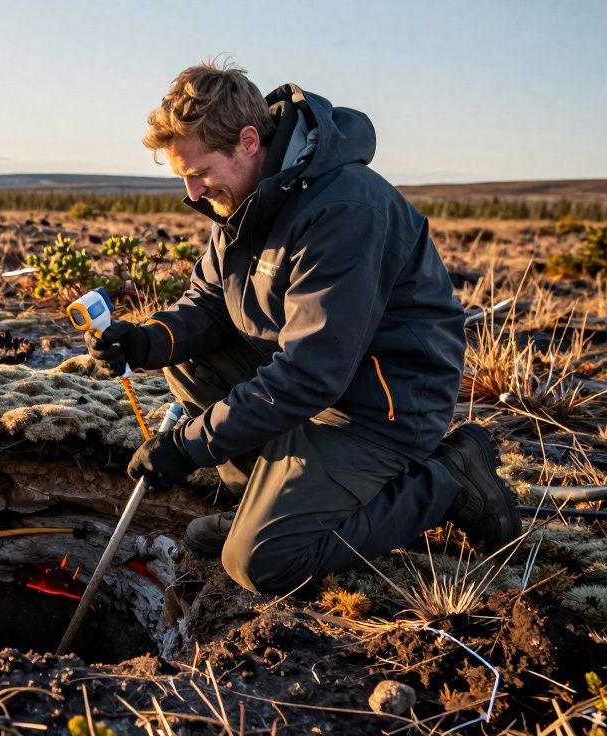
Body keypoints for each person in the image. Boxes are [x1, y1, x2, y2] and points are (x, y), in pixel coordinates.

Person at [86, 60, 521, 595]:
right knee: (189, 357)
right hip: (321, 389)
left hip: (381, 409)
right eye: (183, 176)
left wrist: (189, 446)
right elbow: (212, 304)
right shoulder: (252, 199)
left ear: (248, 141)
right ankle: (266, 501)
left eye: (198, 172)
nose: (193, 192)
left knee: (261, 564)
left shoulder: (344, 208)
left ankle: (447, 482)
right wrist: (147, 340)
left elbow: (312, 373)